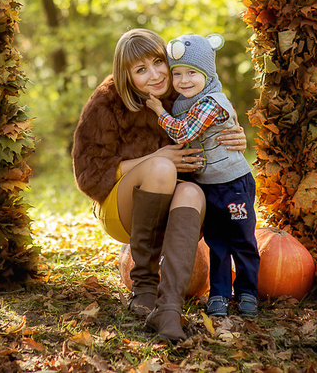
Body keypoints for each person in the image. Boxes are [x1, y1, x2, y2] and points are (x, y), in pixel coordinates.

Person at [71, 28, 247, 343]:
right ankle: (144, 287)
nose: (154, 75)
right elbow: (89, 174)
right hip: (121, 208)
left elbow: (216, 119)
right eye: (141, 70)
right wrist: (155, 159)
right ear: (126, 76)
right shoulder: (106, 101)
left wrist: (235, 136)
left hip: (178, 210)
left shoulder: (185, 91)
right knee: (163, 167)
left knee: (192, 190)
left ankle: (168, 307)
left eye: (157, 62)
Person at [145, 33, 260, 319]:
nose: (184, 80)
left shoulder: (211, 102)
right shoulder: (186, 103)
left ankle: (247, 292)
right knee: (217, 243)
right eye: (178, 73)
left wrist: (159, 111)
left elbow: (183, 133)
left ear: (207, 74)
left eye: (192, 73)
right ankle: (219, 294)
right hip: (209, 187)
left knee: (242, 240)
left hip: (233, 184)